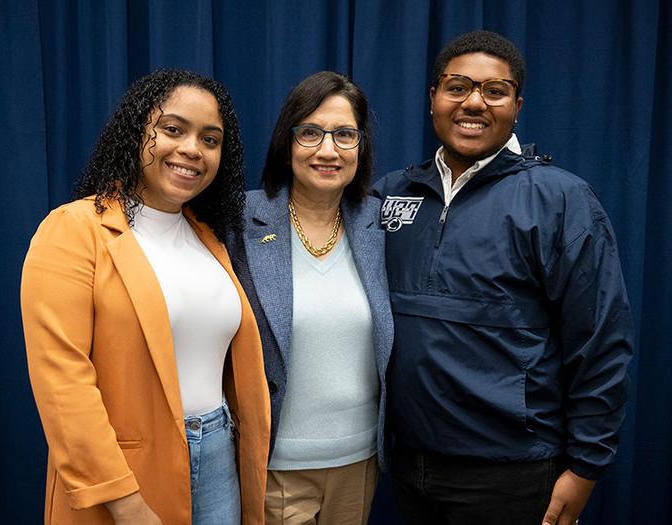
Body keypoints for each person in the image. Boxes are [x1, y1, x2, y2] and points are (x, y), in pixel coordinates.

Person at [373, 31, 633, 525]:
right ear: (433, 98)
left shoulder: (560, 200)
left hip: (513, 473)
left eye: (494, 91)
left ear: (517, 104)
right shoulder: (389, 194)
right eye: (457, 86)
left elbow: (601, 341)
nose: (474, 101)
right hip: (406, 465)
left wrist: (586, 466)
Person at [20, 69, 270, 525]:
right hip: (126, 476)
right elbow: (63, 382)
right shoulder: (74, 229)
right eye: (173, 129)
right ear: (137, 133)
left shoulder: (208, 238)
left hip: (220, 457)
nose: (192, 149)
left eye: (210, 139)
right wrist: (125, 502)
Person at [228, 71, 393, 525]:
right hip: (277, 465)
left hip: (359, 461)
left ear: (361, 145)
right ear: (288, 141)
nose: (327, 150)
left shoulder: (379, 223)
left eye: (344, 135)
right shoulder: (240, 220)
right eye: (311, 133)